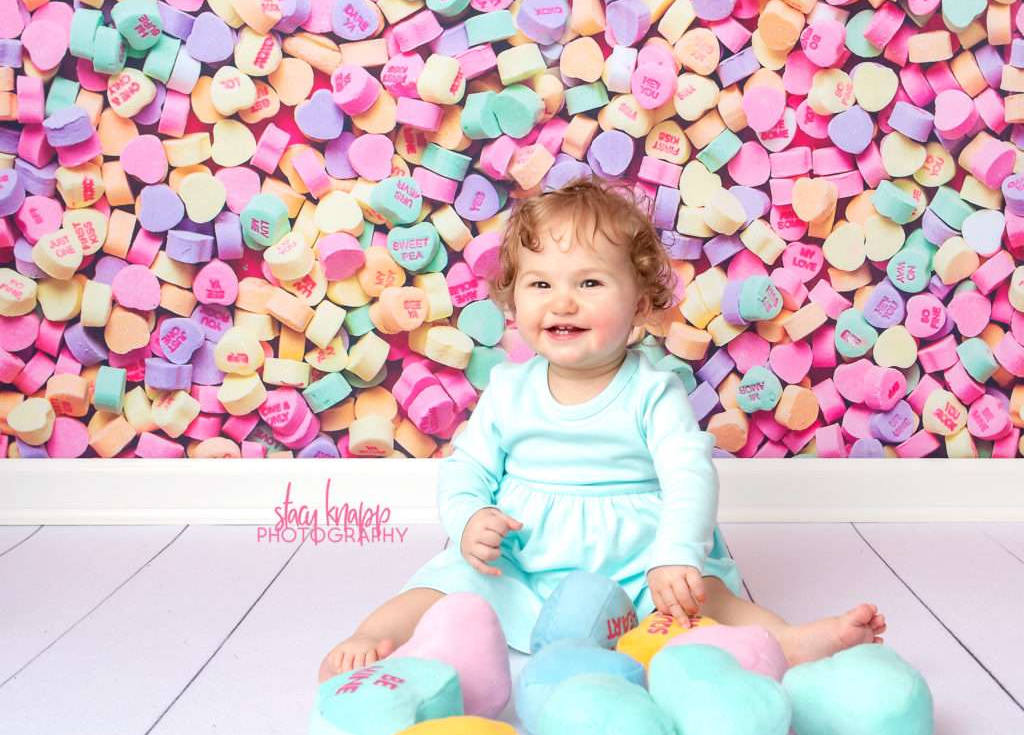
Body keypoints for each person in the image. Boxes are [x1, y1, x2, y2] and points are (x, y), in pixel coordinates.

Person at [318, 176, 886, 680]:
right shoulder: (511, 390)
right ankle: (371, 633)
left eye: (589, 284)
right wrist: (469, 518)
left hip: (638, 557)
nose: (562, 300)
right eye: (540, 285)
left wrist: (675, 551)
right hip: (524, 551)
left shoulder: (652, 390)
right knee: (448, 581)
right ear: (512, 299)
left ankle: (785, 638)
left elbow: (689, 475)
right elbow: (467, 466)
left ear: (641, 304)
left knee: (702, 595)